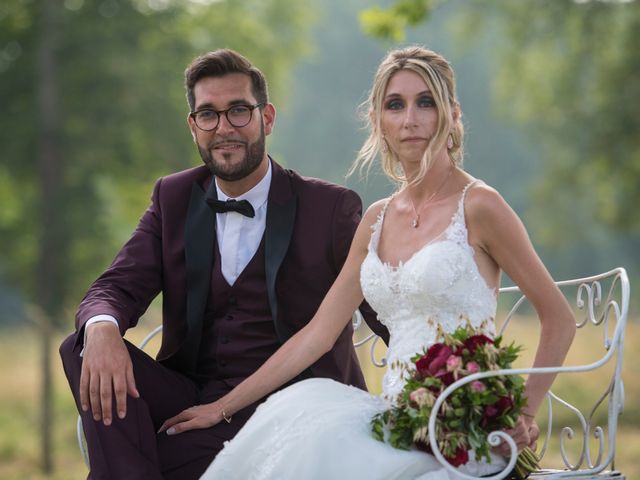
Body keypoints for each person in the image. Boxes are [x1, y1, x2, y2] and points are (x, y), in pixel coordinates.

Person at [179, 46, 577, 479]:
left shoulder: (480, 205)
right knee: (302, 412)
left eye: (426, 102)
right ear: (378, 122)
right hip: (396, 422)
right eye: (395, 105)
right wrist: (221, 408)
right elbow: (316, 334)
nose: (411, 119)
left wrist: (524, 414)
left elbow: (558, 317)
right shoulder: (376, 219)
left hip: (461, 430)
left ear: (453, 114)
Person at [59, 48, 389, 480]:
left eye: (238, 111)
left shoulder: (329, 208)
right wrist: (103, 329)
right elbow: (117, 285)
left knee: (154, 460)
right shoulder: (172, 198)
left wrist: (452, 379)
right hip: (193, 401)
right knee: (80, 347)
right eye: (208, 115)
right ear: (193, 126)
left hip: (291, 404)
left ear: (266, 118)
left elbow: (383, 307)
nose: (223, 128)